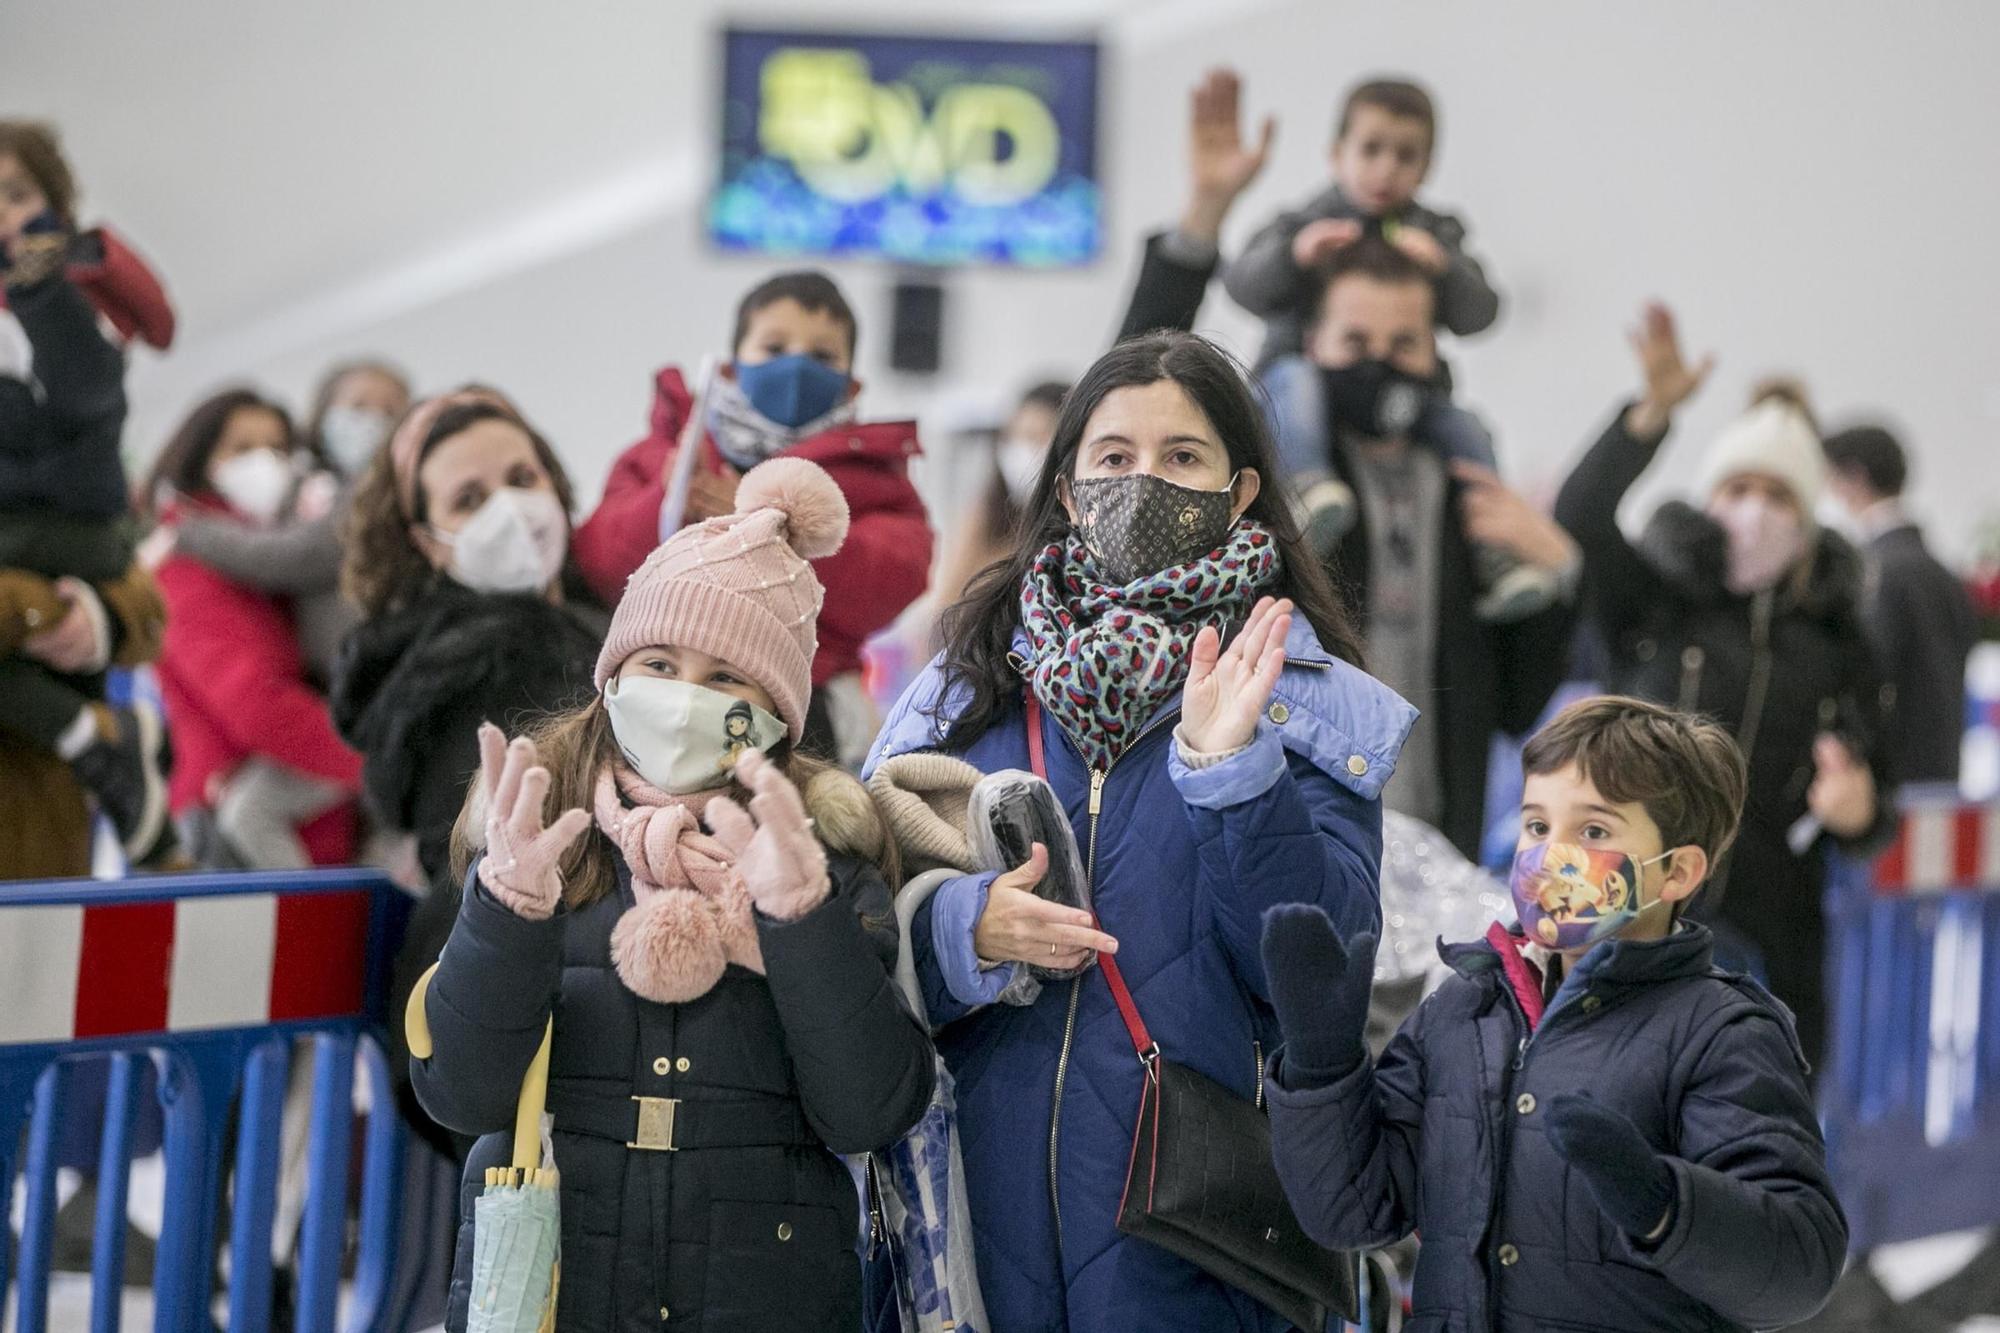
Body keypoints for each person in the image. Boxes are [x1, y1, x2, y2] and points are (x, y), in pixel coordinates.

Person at [865, 330, 1415, 1331]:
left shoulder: (1307, 698)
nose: (1143, 481)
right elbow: (853, 911)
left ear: (1240, 490)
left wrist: (1234, 775)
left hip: (1193, 1237)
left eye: (1181, 457)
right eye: (1113, 457)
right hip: (971, 1219)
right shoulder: (960, 685)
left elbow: (1322, 975)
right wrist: (960, 929)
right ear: (1068, 490)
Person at [413, 457, 933, 1331]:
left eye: (727, 677)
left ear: (776, 710)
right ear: (614, 678)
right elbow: (461, 1096)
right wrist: (506, 911)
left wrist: (802, 924)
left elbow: (870, 1109)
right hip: (558, 1288)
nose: (687, 694)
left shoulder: (818, 852)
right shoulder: (543, 837)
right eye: (659, 660)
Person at [1260, 694, 1847, 1330]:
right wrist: (1324, 1066)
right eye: (1538, 826)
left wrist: (1665, 1206)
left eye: (1593, 831)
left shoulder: (1721, 1033)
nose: (1549, 856)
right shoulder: (1463, 1012)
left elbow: (1797, 1271)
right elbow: (1355, 1212)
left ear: (1677, 872)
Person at [1554, 304, 1894, 1067]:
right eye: (1739, 487)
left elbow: (1880, 791)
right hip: (1630, 921)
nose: (1756, 511)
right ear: (1712, 499)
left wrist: (1861, 808)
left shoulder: (1841, 642)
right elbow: (1579, 512)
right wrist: (1651, 413)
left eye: (1779, 497)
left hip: (1774, 944)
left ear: (1807, 519)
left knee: (1750, 1153)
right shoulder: (1655, 599)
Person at [332, 388, 606, 1144]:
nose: (511, 507)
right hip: (497, 992)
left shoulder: (601, 623)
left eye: (523, 477)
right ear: (428, 540)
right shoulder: (456, 668)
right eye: (470, 497)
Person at [572, 270, 932, 764]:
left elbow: (893, 576)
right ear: (728, 369)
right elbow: (601, 563)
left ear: (852, 386)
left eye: (822, 355)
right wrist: (668, 498)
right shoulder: (668, 452)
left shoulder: (874, 475)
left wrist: (765, 520)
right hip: (662, 695)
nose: (797, 366)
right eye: (774, 347)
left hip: (809, 711)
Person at [0, 120, 179, 865]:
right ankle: (100, 741)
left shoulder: (61, 300)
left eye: (15, 195)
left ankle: (98, 742)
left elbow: (145, 612)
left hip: (74, 532)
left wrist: (42, 287)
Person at [1263, 240, 1561, 622]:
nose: (1378, 363)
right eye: (1355, 342)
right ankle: (1309, 494)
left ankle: (1497, 561)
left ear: (1433, 351)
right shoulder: (1260, 465)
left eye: (1403, 344)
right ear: (1313, 342)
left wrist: (1565, 571)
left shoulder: (1454, 465)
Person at [145, 389, 363, 869]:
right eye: (240, 448)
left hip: (307, 818)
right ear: (199, 459)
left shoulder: (269, 561)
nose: (263, 462)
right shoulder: (186, 568)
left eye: (278, 448)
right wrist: (374, 760)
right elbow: (255, 704)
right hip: (239, 827)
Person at [156, 358, 411, 687]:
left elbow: (298, 555)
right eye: (358, 405)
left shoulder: (376, 494)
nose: (372, 420)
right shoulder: (315, 485)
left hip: (381, 675)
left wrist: (190, 530)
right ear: (323, 413)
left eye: (390, 411)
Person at [1221, 77, 1500, 367]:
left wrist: (1443, 268)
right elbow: (1239, 285)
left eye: (1406, 156)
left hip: (1404, 387)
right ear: (1337, 155)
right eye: (1371, 149)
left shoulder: (1437, 234)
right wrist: (1292, 256)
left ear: (1426, 167)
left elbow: (1481, 315)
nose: (1386, 169)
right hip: (1304, 377)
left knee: (1461, 417)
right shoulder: (1302, 226)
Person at [1822, 422, 1979, 785]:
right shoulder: (1943, 573)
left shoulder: (1876, 572)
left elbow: (1869, 674)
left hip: (1892, 779)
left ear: (1854, 478)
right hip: (1943, 770)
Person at [932, 379, 1070, 605]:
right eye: (1014, 437)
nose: (1023, 450)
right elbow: (945, 603)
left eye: (1038, 437)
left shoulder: (1074, 537)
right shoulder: (984, 514)